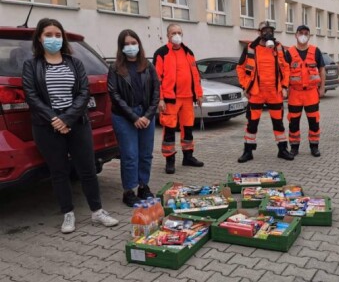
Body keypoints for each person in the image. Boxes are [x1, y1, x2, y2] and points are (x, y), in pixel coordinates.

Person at [22, 18, 118, 233]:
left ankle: (97, 211)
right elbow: (31, 95)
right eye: (49, 35)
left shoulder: (75, 63)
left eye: (58, 35)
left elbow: (84, 92)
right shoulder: (31, 65)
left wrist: (66, 119)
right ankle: (68, 214)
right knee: (59, 172)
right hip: (47, 126)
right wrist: (54, 119)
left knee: (87, 169)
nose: (54, 39)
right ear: (39, 37)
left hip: (77, 122)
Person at [108, 29, 160, 207]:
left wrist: (147, 115)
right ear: (121, 48)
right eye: (127, 44)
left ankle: (143, 186)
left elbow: (156, 92)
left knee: (145, 154)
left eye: (133, 43)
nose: (131, 47)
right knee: (130, 155)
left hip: (146, 115)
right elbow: (114, 95)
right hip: (124, 117)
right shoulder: (115, 68)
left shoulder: (147, 65)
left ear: (139, 44)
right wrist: (133, 117)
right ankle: (129, 191)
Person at [236, 21, 294, 163]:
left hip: (275, 92)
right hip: (256, 92)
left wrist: (285, 86)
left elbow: (286, 68)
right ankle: (248, 151)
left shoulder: (278, 47)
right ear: (259, 32)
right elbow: (240, 68)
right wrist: (246, 86)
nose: (268, 33)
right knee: (252, 123)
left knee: (278, 123)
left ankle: (282, 149)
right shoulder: (251, 48)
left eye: (270, 30)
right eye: (265, 30)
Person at [153, 24, 204, 174]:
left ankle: (188, 157)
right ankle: (170, 161)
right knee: (169, 130)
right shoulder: (161, 53)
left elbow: (196, 75)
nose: (176, 35)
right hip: (170, 99)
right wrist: (160, 99)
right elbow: (157, 79)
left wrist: (199, 94)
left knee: (188, 129)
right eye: (173, 33)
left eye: (179, 32)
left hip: (188, 98)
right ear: (168, 36)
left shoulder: (188, 52)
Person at [285, 25, 326, 157]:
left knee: (314, 121)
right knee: (293, 122)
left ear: (309, 36)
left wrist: (322, 87)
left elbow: (322, 69)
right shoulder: (289, 52)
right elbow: (284, 72)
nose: (303, 35)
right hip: (295, 93)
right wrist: (284, 88)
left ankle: (314, 147)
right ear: (296, 35)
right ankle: (294, 147)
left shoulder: (315, 51)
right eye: (301, 33)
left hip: (311, 93)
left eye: (306, 33)